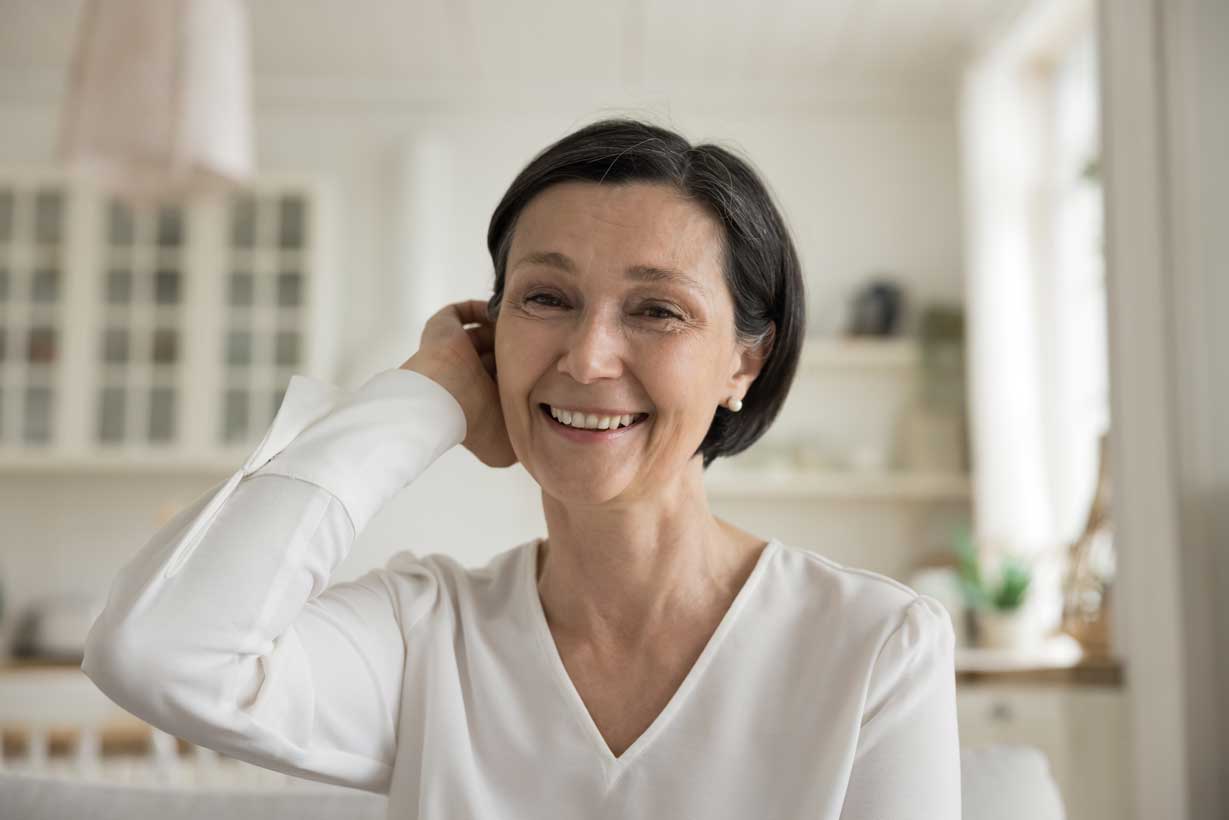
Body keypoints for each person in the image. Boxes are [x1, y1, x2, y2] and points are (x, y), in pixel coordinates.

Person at [82, 118, 961, 818]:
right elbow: (157, 652)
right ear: (491, 331)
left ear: (744, 364)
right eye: (546, 298)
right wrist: (424, 400)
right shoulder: (426, 635)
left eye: (657, 310)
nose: (587, 357)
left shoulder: (874, 646)